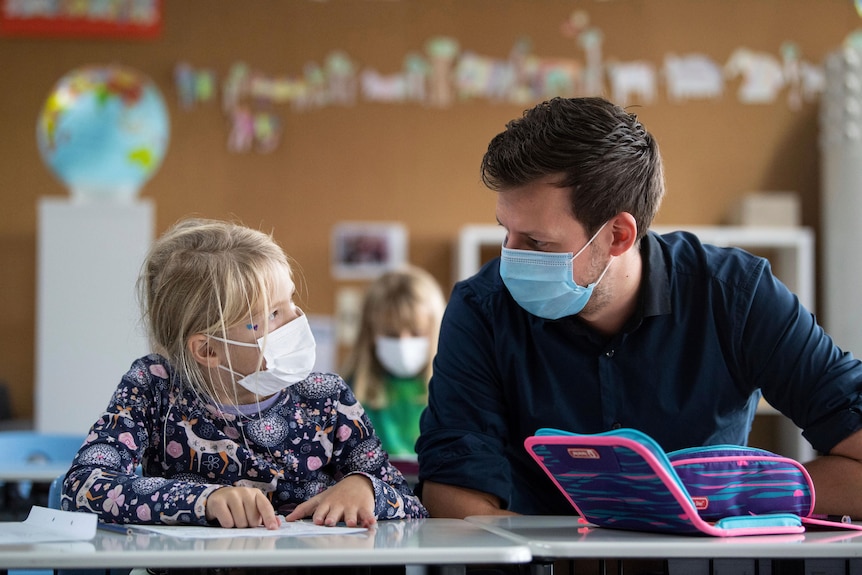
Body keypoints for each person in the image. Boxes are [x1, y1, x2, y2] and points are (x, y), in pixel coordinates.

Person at [416, 96, 862, 519]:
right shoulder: (482, 308)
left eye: (537, 242)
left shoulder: (736, 297)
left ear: (618, 236)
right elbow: (453, 493)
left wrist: (740, 490)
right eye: (506, 232)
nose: (510, 258)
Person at [61, 218, 427, 529]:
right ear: (207, 349)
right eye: (269, 316)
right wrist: (205, 501)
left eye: (290, 302)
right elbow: (82, 486)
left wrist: (366, 488)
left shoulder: (327, 398)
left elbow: (413, 508)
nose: (296, 320)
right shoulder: (154, 386)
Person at [341, 266, 446, 459]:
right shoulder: (347, 395)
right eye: (391, 334)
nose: (404, 343)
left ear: (435, 330)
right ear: (370, 333)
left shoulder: (453, 393)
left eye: (416, 332)